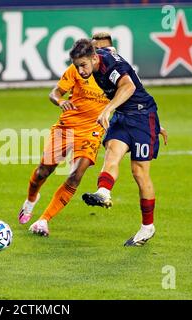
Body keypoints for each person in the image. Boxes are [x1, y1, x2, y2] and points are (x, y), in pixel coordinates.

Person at [68, 38, 163, 246]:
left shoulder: (111, 66)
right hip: (123, 116)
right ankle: (103, 192)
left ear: (94, 58)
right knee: (112, 153)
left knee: (139, 172)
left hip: (142, 117)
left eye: (83, 65)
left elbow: (128, 86)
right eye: (77, 66)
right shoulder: (99, 56)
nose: (81, 71)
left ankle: (148, 227)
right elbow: (109, 49)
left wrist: (107, 109)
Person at [18, 55, 109, 236]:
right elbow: (55, 93)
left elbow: (130, 97)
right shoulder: (77, 70)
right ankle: (30, 200)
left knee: (76, 175)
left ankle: (43, 220)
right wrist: (61, 101)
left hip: (91, 132)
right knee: (43, 171)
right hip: (65, 128)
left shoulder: (113, 75)